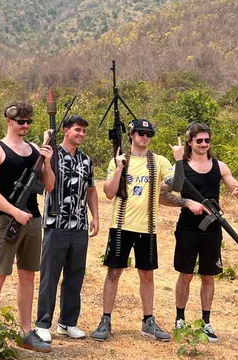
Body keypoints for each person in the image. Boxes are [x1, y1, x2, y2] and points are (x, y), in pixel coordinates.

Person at [0, 101, 56, 359]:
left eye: (28, 121)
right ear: (8, 121)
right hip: (7, 220)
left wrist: (47, 161)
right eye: (20, 121)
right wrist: (14, 211)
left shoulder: (34, 150)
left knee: (28, 276)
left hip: (33, 221)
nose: (25, 125)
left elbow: (49, 186)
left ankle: (26, 332)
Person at [160, 122, 238, 343]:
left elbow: (235, 188)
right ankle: (180, 318)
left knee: (208, 276)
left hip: (212, 228)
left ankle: (206, 322)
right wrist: (186, 202)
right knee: (186, 274)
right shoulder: (181, 166)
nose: (203, 144)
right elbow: (163, 195)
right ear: (190, 141)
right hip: (188, 227)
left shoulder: (219, 166)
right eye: (198, 140)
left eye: (207, 140)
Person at [91, 118, 174, 342]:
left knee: (147, 275)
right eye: (140, 133)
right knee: (113, 273)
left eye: (149, 134)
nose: (144, 137)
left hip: (148, 228)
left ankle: (148, 321)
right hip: (120, 226)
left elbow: (175, 182)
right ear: (131, 135)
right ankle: (106, 319)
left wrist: (180, 162)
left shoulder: (159, 161)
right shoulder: (118, 160)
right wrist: (119, 168)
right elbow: (108, 192)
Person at [34, 115, 100, 343]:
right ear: (65, 131)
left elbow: (91, 190)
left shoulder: (86, 160)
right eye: (77, 130)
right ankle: (43, 323)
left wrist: (95, 217)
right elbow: (48, 185)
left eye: (83, 131)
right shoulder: (52, 155)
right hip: (56, 224)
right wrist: (47, 158)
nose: (80, 134)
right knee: (50, 275)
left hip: (79, 225)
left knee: (75, 275)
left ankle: (68, 322)